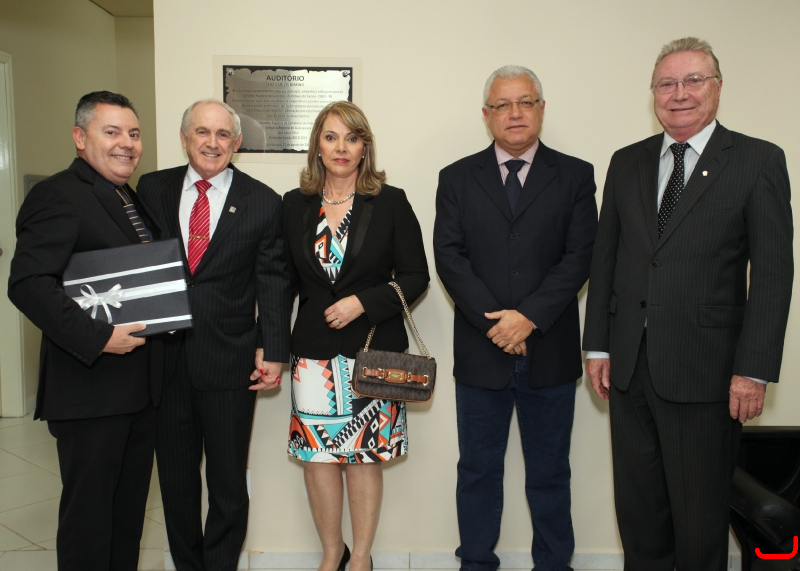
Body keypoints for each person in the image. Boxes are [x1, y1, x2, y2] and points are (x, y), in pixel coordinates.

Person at [582, 37, 793, 571]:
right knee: (639, 518)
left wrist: (753, 370)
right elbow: (606, 260)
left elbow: (773, 275)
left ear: (717, 87)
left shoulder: (757, 160)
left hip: (709, 375)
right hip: (629, 372)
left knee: (699, 524)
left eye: (693, 80)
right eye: (667, 83)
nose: (680, 94)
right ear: (653, 93)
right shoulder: (626, 162)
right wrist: (598, 346)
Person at [434, 66, 598, 571]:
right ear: (486, 115)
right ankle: (476, 563)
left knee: (550, 473)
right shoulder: (457, 177)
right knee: (477, 470)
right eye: (503, 105)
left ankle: (554, 564)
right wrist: (497, 326)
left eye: (525, 102)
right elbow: (449, 258)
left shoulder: (575, 175)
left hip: (549, 349)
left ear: (541, 109)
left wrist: (527, 318)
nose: (515, 113)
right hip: (481, 352)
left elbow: (580, 257)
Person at [136, 99, 292, 571]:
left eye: (223, 134)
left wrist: (273, 349)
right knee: (176, 482)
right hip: (163, 360)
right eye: (202, 132)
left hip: (230, 361)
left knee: (227, 482)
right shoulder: (151, 188)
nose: (212, 142)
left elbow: (274, 280)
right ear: (185, 138)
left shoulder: (263, 200)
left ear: (237, 142)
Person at [7, 91, 160, 571]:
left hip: (136, 392)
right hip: (90, 392)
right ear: (80, 137)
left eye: (133, 134)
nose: (126, 144)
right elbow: (28, 284)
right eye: (111, 132)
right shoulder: (58, 194)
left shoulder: (127, 196)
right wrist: (99, 337)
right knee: (89, 524)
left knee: (126, 519)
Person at [282, 101, 429, 571]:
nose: (341, 147)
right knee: (317, 456)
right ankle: (333, 552)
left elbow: (416, 276)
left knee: (365, 456)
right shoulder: (294, 204)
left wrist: (363, 302)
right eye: (331, 137)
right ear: (317, 147)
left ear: (365, 147)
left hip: (371, 354)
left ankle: (361, 558)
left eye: (352, 137)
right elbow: (282, 282)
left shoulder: (391, 201)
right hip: (313, 357)